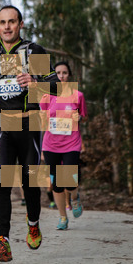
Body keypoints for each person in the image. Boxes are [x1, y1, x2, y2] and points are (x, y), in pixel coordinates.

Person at [0, 5, 58, 262]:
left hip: (30, 125)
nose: (7, 27)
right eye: (2, 22)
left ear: (20, 24)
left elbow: (57, 85)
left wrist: (35, 83)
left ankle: (33, 223)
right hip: (4, 124)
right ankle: (2, 239)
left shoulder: (34, 51)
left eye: (12, 21)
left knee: (29, 183)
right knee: (1, 184)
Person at [40, 61, 88, 229]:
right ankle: (62, 217)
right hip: (51, 144)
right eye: (58, 73)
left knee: (70, 179)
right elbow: (42, 121)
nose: (61, 76)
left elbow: (83, 116)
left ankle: (74, 198)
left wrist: (78, 118)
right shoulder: (46, 97)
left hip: (71, 143)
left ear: (69, 75)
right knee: (57, 183)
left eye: (64, 73)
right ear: (54, 75)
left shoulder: (78, 95)